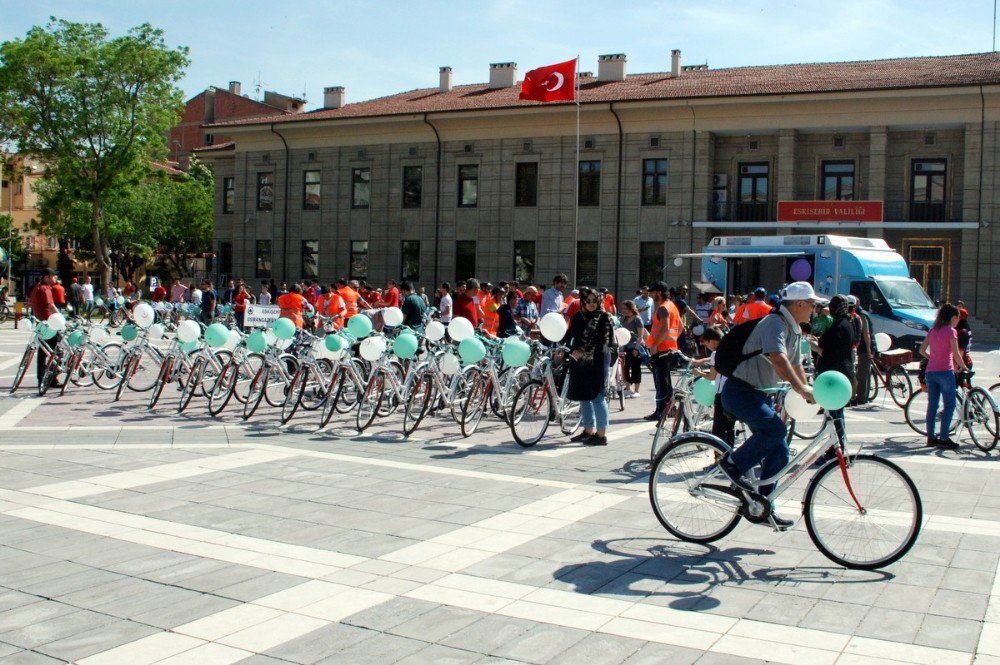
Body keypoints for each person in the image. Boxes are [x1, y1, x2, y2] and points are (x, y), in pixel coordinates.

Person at [717, 281, 825, 529]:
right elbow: (778, 359)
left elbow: (796, 365)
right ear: (799, 303)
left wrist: (809, 391)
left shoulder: (794, 328)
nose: (813, 309)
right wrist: (801, 389)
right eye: (811, 304)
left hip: (759, 394)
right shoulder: (774, 323)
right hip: (740, 391)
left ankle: (762, 505)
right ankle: (732, 465)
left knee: (780, 451)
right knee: (776, 430)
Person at [563, 288, 617, 446]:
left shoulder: (604, 317)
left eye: (595, 301)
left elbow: (604, 340)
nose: (592, 304)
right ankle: (588, 431)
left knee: (597, 396)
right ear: (583, 302)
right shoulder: (578, 316)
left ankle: (601, 435)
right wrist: (562, 348)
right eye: (588, 301)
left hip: (598, 360)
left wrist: (582, 350)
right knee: (583, 396)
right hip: (578, 360)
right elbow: (570, 336)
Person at [920, 303, 968, 449]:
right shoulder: (951, 331)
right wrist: (964, 367)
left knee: (932, 406)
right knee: (950, 405)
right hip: (945, 372)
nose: (958, 320)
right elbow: (955, 353)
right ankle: (944, 437)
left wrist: (932, 357)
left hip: (931, 372)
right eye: (957, 317)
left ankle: (931, 437)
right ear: (952, 317)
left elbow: (922, 350)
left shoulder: (933, 330)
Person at [814, 295, 857, 454]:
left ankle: (836, 448)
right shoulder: (846, 323)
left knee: (834, 415)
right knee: (836, 414)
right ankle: (837, 447)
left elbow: (833, 353)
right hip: (842, 371)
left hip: (835, 373)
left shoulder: (839, 325)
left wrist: (817, 348)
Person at [643, 282, 683, 421]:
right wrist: (672, 341)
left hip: (661, 350)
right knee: (666, 382)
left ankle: (661, 411)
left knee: (660, 382)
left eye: (653, 292)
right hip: (670, 349)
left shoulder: (662, 308)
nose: (651, 295)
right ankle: (670, 409)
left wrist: (655, 345)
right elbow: (681, 327)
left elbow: (665, 328)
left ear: (659, 293)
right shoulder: (672, 306)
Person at [30, 270, 60, 386]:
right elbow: (51, 306)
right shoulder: (45, 288)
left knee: (43, 352)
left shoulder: (37, 287)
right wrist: (60, 318)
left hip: (41, 324)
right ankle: (52, 378)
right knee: (57, 351)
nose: (55, 278)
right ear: (47, 277)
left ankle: (41, 378)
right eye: (53, 276)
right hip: (49, 324)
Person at [620, 299, 647, 398]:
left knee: (635, 368)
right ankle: (628, 388)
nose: (624, 310)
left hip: (635, 347)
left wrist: (636, 349)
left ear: (631, 309)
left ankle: (636, 390)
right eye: (623, 309)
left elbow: (640, 336)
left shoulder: (637, 319)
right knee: (625, 367)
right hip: (625, 346)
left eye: (626, 309)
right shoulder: (624, 319)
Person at [850, 295, 874, 406]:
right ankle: (861, 395)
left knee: (862, 373)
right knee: (861, 372)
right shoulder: (855, 315)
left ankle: (861, 397)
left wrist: (869, 350)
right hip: (858, 346)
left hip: (864, 347)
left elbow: (866, 333)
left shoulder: (862, 316)